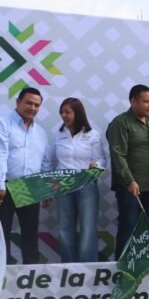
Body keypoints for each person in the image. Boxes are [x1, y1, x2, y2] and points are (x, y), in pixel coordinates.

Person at [44, 97, 107, 262]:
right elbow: (50, 162)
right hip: (62, 185)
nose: (64, 115)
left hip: (86, 185)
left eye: (67, 112)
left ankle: (88, 268)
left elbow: (102, 161)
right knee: (65, 229)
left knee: (88, 229)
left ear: (77, 113)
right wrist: (47, 189)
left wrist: (97, 164)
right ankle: (69, 269)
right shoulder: (58, 135)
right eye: (61, 112)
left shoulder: (92, 135)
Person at [108, 84, 149, 260]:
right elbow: (118, 155)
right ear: (133, 101)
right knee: (128, 226)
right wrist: (129, 181)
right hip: (129, 187)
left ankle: (140, 266)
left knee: (144, 230)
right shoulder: (120, 122)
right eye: (146, 101)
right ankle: (122, 269)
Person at [0, 87, 49, 264]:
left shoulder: (41, 133)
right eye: (29, 102)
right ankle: (2, 275)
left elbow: (44, 163)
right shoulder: (3, 123)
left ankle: (31, 276)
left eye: (37, 105)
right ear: (18, 102)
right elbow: (1, 154)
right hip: (6, 186)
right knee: (2, 234)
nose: (32, 108)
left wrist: (45, 190)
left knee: (30, 233)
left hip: (30, 187)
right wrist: (0, 185)